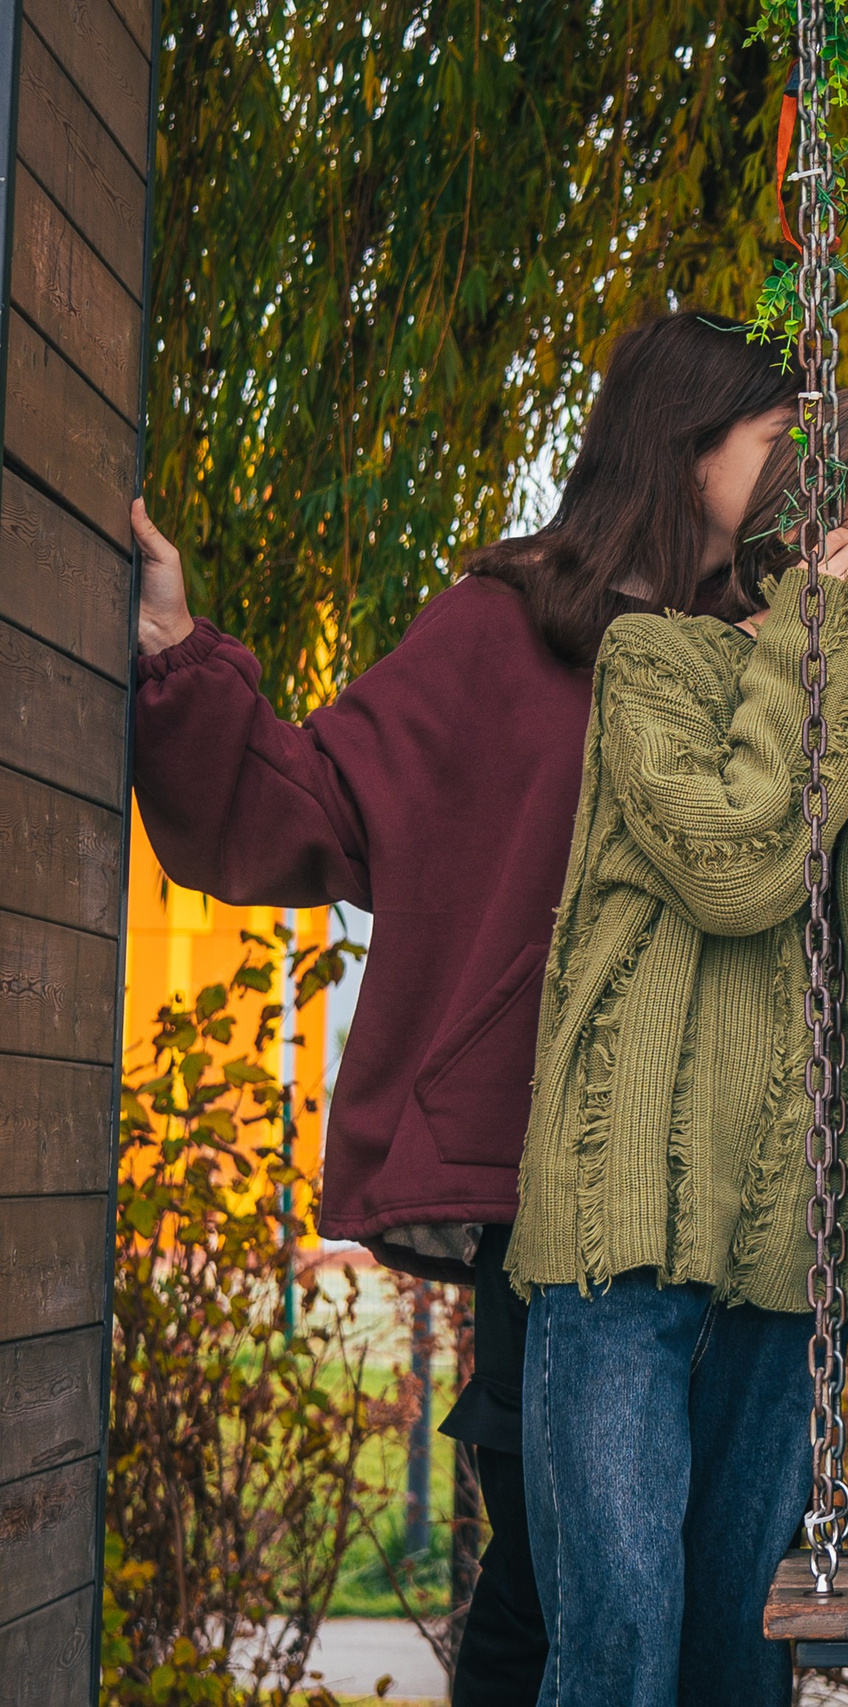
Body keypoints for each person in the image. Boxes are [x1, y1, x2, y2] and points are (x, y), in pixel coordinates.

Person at [126, 310, 810, 1706]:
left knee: (721, 1602)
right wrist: (179, 649)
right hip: (552, 1172)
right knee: (556, 1586)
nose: (814, 478)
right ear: (688, 444)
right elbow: (295, 811)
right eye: (783, 442)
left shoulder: (788, 652)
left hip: (739, 1180)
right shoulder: (508, 630)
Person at [506, 384, 848, 1707]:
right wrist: (826, 646)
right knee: (620, 1651)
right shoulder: (656, 661)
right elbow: (736, 866)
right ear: (809, 517)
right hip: (622, 1227)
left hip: (793, 1242)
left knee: (732, 1657)